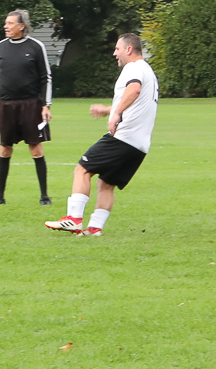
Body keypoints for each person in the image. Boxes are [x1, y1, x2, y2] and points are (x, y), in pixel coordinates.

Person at [46, 33, 159, 237]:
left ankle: (73, 219)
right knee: (106, 184)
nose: (114, 53)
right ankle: (94, 229)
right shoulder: (147, 70)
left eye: (117, 48)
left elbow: (134, 90)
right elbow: (138, 102)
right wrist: (109, 109)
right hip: (140, 145)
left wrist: (115, 113)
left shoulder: (133, 68)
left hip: (123, 137)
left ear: (129, 50)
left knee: (82, 170)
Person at [0, 9, 55, 206]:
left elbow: (46, 77)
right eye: (6, 23)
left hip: (31, 105)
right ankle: (0, 196)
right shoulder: (0, 47)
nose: (6, 26)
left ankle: (44, 196)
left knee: (36, 149)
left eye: (10, 23)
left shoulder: (36, 46)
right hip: (6, 106)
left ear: (21, 26)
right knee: (5, 149)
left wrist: (46, 105)